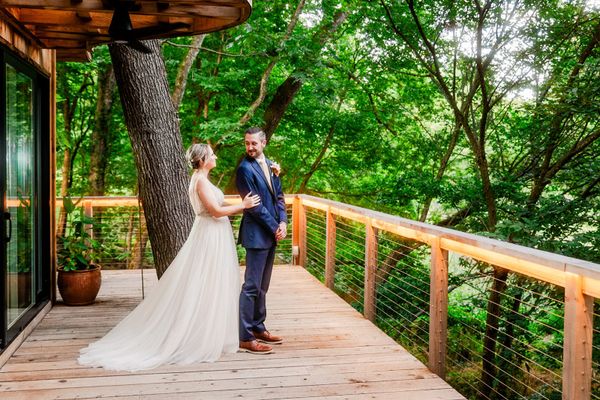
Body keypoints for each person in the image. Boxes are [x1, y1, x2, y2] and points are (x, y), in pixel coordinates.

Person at [78, 144, 261, 371]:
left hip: (216, 235)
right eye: (211, 154)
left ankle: (213, 332)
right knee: (203, 281)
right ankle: (197, 336)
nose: (215, 156)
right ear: (203, 160)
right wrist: (242, 206)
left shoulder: (203, 178)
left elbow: (218, 204)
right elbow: (214, 211)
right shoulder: (200, 181)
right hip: (209, 235)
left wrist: (238, 204)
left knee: (215, 282)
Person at [236, 127, 287, 354]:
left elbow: (279, 197)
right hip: (256, 234)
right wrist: (275, 226)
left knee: (263, 287)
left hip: (272, 234)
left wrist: (283, 222)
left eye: (253, 143)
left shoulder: (271, 166)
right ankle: (245, 337)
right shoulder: (244, 170)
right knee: (251, 287)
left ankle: (258, 327)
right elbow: (255, 206)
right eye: (247, 143)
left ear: (263, 143)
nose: (249, 147)